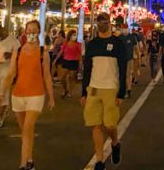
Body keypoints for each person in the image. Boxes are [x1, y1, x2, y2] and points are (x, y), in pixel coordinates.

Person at [5, 20, 55, 170]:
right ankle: (30, 160)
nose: (31, 33)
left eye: (34, 30)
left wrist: (51, 97)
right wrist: (2, 92)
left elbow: (47, 76)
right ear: (25, 32)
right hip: (18, 95)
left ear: (39, 32)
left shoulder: (43, 52)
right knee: (25, 130)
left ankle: (22, 164)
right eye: (29, 30)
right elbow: (11, 73)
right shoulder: (18, 51)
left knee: (27, 127)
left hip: (36, 95)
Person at [82, 13, 127, 170]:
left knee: (110, 125)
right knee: (95, 124)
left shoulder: (118, 44)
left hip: (111, 88)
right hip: (94, 88)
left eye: (105, 22)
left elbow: (123, 69)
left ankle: (115, 143)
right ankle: (100, 160)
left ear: (110, 23)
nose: (102, 24)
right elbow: (87, 68)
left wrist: (121, 92)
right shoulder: (92, 44)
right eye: (99, 21)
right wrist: (84, 92)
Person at [0, 24, 20, 128]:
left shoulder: (13, 41)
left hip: (8, 70)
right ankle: (4, 108)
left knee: (3, 91)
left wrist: (10, 55)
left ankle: (0, 116)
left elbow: (20, 54)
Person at [55, 29, 82, 98]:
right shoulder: (66, 44)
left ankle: (70, 91)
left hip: (74, 62)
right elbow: (61, 52)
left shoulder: (78, 44)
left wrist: (80, 63)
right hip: (66, 61)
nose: (74, 36)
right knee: (62, 77)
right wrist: (55, 59)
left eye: (75, 35)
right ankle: (65, 89)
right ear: (69, 36)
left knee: (71, 77)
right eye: (73, 35)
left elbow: (80, 54)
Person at [118, 24, 136, 97]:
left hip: (129, 59)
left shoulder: (131, 37)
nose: (124, 30)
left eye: (125, 28)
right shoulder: (119, 37)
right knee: (122, 75)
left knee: (128, 75)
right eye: (123, 28)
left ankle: (128, 90)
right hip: (121, 60)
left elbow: (135, 47)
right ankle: (123, 90)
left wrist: (137, 56)